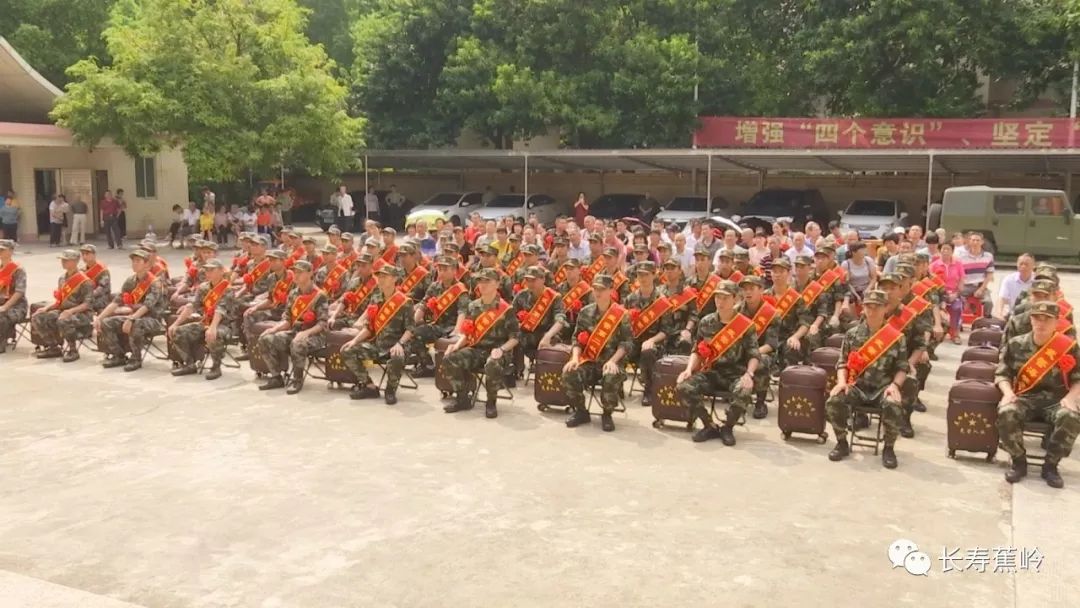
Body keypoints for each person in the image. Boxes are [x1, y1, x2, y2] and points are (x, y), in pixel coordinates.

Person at [995, 301, 1080, 489]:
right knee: (1006, 411)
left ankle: (1051, 466)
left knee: (1071, 416)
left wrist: (1071, 398)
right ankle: (1019, 462)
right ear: (1030, 319)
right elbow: (1002, 374)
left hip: (1055, 401)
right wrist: (1007, 393)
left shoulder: (1068, 346)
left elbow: (1078, 379)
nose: (1041, 323)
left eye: (1047, 319)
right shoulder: (1016, 344)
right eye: (1036, 318)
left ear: (1056, 322)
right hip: (1024, 398)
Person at [824, 289, 909, 469]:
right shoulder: (852, 334)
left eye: (876, 307)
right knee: (834, 401)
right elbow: (842, 363)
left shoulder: (895, 337)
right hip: (857, 386)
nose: (871, 311)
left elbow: (902, 368)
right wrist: (841, 382)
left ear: (885, 308)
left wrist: (895, 385)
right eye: (868, 307)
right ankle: (841, 443)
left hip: (882, 388)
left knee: (893, 405)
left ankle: (889, 448)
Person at [675, 280, 760, 445]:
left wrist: (749, 374)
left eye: (725, 298)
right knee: (683, 386)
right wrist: (688, 369)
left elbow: (754, 354)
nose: (720, 302)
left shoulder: (744, 325)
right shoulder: (706, 322)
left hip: (735, 374)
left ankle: (727, 427)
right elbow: (697, 350)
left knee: (744, 391)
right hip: (711, 373)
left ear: (735, 299)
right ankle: (709, 425)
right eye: (718, 298)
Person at [441, 268, 520, 419]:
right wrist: (456, 346)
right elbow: (467, 332)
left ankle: (491, 402)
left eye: (487, 281)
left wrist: (502, 350)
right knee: (449, 358)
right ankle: (462, 397)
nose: (482, 285)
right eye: (480, 281)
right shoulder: (473, 306)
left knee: (492, 363)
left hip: (497, 352)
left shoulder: (505, 309)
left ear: (497, 284)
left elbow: (515, 337)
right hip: (476, 349)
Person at [562, 274, 632, 431]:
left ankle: (607, 414)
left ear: (611, 291)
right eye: (595, 289)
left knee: (610, 376)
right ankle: (581, 411)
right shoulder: (585, 312)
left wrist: (613, 361)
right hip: (590, 361)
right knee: (570, 372)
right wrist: (574, 358)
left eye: (602, 289)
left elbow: (627, 343)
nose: (598, 293)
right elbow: (577, 340)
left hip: (612, 361)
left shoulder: (621, 314)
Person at [339, 265, 416, 404]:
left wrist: (400, 344)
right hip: (378, 345)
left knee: (397, 356)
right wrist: (354, 341)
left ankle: (390, 390)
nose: (380, 280)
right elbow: (369, 327)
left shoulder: (404, 302)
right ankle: (369, 386)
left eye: (384, 277)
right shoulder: (376, 299)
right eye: (379, 277)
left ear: (394, 279)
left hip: (397, 345)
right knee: (347, 350)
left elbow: (410, 329)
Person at [255, 259, 328, 394]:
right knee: (265, 338)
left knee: (297, 343)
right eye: (295, 272)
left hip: (315, 336)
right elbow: (288, 319)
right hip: (295, 331)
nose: (296, 275)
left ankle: (297, 379)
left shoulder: (319, 295)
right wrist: (275, 329)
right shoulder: (293, 294)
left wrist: (306, 333)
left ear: (310, 273)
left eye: (300, 272)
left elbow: (322, 323)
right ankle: (276, 377)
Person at [93, 249, 166, 371]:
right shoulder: (130, 281)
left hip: (153, 319)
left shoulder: (155, 283)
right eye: (133, 261)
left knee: (135, 324)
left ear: (147, 264)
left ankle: (136, 358)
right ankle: (118, 355)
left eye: (138, 261)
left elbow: (147, 306)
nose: (134, 264)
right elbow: (116, 302)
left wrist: (131, 319)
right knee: (107, 322)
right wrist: (99, 318)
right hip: (134, 317)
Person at [168, 259, 237, 380]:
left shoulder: (228, 289)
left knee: (214, 334)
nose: (208, 273)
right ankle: (189, 364)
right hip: (205, 322)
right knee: (178, 332)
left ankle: (216, 367)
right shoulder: (203, 287)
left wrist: (212, 328)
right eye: (206, 270)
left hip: (223, 325)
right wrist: (175, 324)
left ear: (221, 271)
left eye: (212, 270)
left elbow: (220, 310)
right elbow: (192, 306)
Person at [623, 262, 674, 407]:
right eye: (640, 274)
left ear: (654, 275)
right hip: (634, 341)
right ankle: (616, 384)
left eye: (646, 274)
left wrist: (652, 340)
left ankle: (649, 389)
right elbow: (623, 326)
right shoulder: (630, 299)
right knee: (618, 348)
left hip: (654, 343)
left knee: (648, 351)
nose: (643, 278)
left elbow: (666, 330)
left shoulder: (662, 300)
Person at [30, 249, 93, 361]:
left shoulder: (84, 281)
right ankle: (54, 347)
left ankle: (73, 350)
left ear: (76, 261)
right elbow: (59, 301)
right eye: (62, 260)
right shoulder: (62, 279)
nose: (63, 262)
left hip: (81, 314)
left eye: (66, 260)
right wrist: (46, 308)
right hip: (63, 310)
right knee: (37, 317)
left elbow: (87, 304)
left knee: (63, 320)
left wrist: (70, 311)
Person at [511, 265, 567, 383]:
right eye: (528, 280)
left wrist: (548, 336)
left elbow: (560, 320)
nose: (530, 283)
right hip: (526, 334)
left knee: (553, 342)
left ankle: (548, 377)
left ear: (543, 280)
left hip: (546, 335)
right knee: (513, 338)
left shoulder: (554, 297)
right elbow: (511, 317)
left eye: (534, 280)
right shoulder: (521, 296)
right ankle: (515, 371)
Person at [738, 276, 780, 419]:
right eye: (745, 289)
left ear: (761, 290)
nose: (748, 293)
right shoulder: (736, 311)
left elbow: (770, 344)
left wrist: (753, 354)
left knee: (762, 362)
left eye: (752, 289)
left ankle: (760, 403)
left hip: (763, 351)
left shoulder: (771, 314)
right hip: (741, 351)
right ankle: (737, 396)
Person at [767, 258, 811, 367]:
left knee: (792, 348)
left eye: (781, 272)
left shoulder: (796, 298)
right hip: (768, 340)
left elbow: (805, 324)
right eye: (774, 272)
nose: (777, 275)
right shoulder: (764, 297)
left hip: (788, 338)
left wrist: (796, 337)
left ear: (788, 273)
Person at [930, 242, 964, 343]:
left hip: (954, 293)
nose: (945, 251)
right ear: (939, 251)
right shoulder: (934, 265)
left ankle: (955, 334)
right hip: (938, 294)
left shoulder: (958, 264)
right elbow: (930, 282)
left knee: (957, 307)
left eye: (948, 249)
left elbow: (962, 280)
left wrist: (956, 293)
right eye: (943, 249)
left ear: (952, 251)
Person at [956, 232, 994, 317]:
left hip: (981, 285)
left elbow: (989, 275)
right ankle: (959, 322)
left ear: (982, 242)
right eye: (973, 240)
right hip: (966, 286)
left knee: (989, 303)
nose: (975, 242)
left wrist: (981, 289)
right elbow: (959, 274)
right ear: (969, 241)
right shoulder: (961, 257)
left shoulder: (988, 256)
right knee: (955, 300)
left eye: (978, 240)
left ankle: (985, 321)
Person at [0, 239, 27, 353]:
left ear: (10, 251)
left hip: (17, 306)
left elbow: (19, 292)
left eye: (2, 249)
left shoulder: (18, 270)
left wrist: (5, 307)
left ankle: (2, 341)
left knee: (2, 315)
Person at [995, 253, 1035, 319]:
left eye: (1026, 264)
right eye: (1021, 264)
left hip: (1032, 316)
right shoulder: (1009, 279)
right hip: (1013, 315)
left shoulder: (1037, 280)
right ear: (1017, 265)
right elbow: (1002, 298)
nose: (1023, 266)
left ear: (1033, 266)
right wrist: (999, 314)